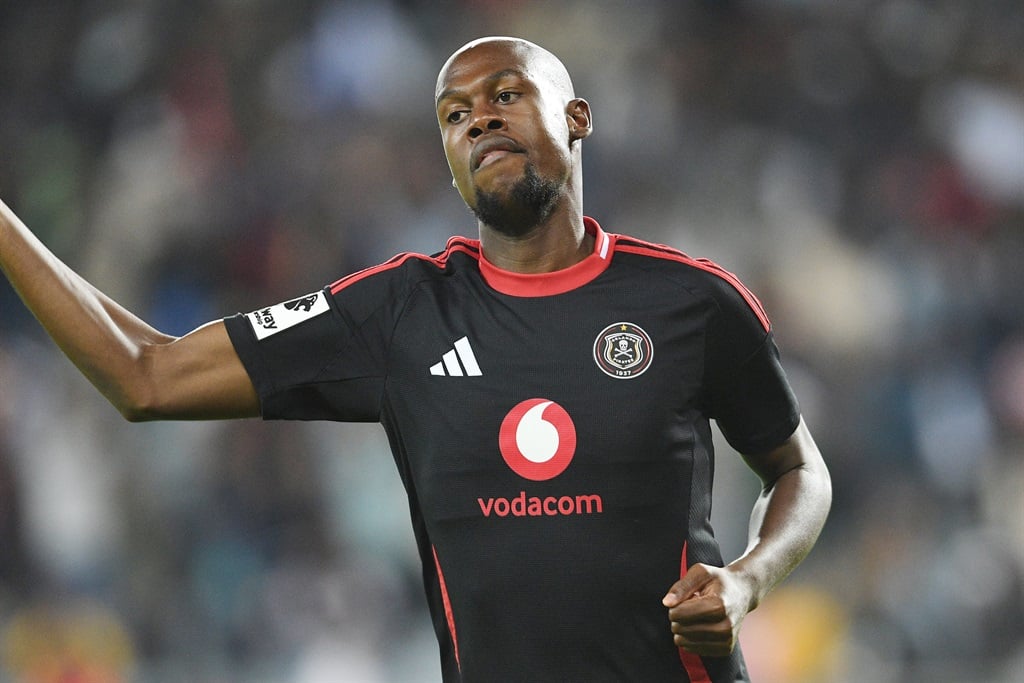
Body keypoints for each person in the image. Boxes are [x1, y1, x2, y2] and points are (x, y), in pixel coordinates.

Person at [0, 36, 831, 682]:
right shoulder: (401, 312)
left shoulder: (689, 302)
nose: (480, 120)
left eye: (506, 95)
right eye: (455, 114)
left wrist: (747, 580)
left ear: (576, 118)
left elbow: (800, 469)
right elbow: (145, 373)